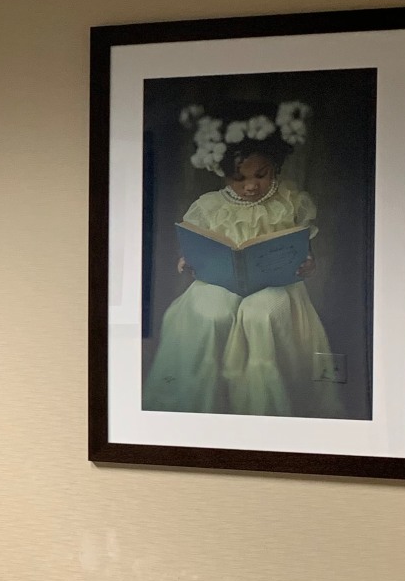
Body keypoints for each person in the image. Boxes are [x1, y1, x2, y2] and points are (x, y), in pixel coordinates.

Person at [143, 112, 341, 418]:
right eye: (239, 179)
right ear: (222, 173)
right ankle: (206, 402)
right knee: (213, 313)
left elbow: (304, 253)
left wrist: (308, 265)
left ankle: (263, 405)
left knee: (260, 314)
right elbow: (195, 247)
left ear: (275, 165)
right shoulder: (209, 206)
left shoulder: (291, 200)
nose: (250, 186)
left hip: (276, 285)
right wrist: (188, 260)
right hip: (219, 284)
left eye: (261, 175)